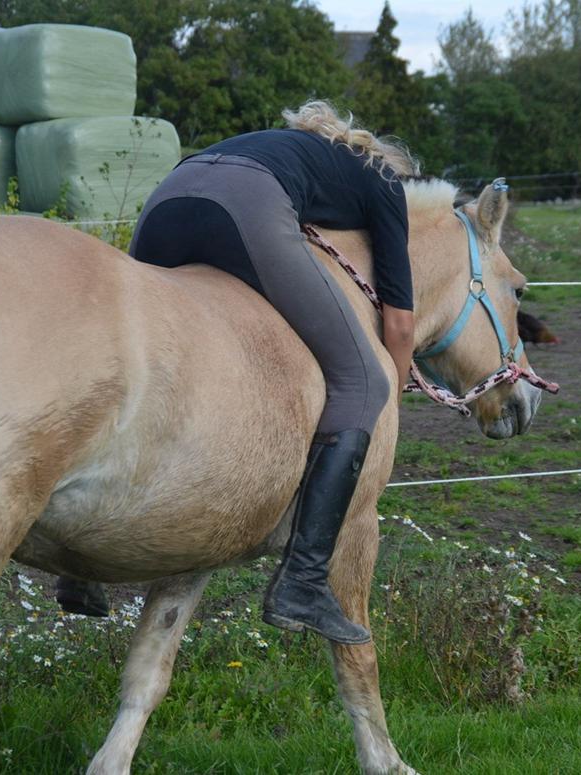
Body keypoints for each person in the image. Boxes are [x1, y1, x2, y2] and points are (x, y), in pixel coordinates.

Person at [56, 101, 417, 645]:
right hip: (247, 205)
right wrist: (399, 382)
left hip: (169, 195)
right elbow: (401, 322)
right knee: (366, 381)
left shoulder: (286, 147)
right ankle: (303, 580)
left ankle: (78, 568)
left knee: (136, 364)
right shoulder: (384, 181)